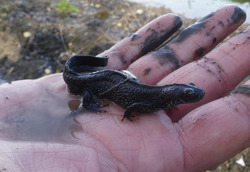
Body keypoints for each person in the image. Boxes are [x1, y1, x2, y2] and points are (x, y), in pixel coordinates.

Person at [0, 4, 249, 172]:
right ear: (176, 96)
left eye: (189, 93)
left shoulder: (163, 99)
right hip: (93, 84)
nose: (193, 95)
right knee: (91, 95)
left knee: (101, 81)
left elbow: (148, 100)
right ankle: (90, 88)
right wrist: (128, 114)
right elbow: (137, 105)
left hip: (108, 78)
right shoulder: (155, 102)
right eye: (189, 93)